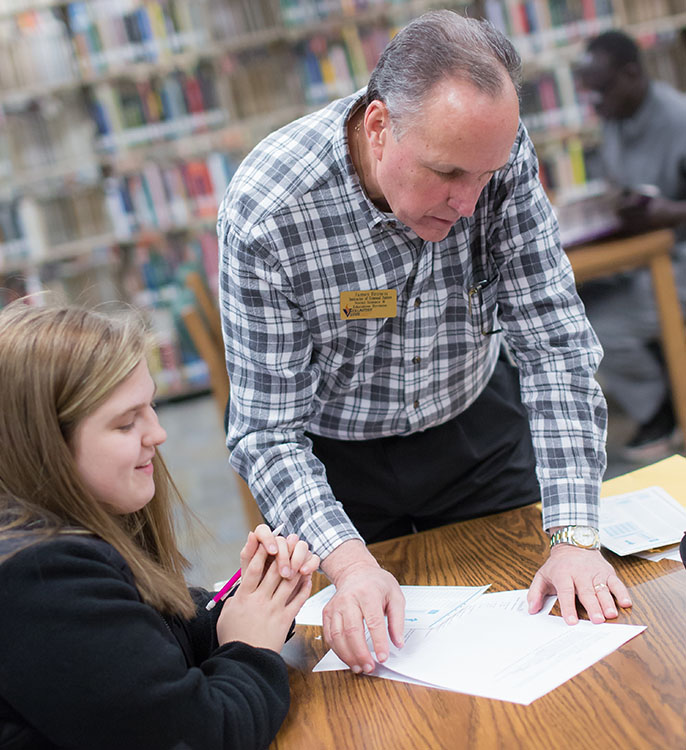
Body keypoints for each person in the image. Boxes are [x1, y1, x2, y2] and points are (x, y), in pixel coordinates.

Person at [218, 9, 631, 677]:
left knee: (543, 641)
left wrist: (576, 537)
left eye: (484, 177)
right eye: (447, 174)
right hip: (336, 467)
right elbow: (265, 431)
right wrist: (349, 564)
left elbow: (553, 343)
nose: (468, 202)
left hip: (474, 426)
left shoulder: (494, 152)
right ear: (379, 127)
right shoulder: (270, 212)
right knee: (377, 673)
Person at [0, 299, 319, 750]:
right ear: (44, 445)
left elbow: (140, 647)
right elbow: (200, 736)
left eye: (150, 406)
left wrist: (248, 607)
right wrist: (250, 648)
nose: (157, 433)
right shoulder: (36, 580)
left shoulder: (18, 534)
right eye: (125, 424)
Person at [576, 30, 686, 462]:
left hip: (675, 258)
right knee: (578, 300)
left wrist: (670, 212)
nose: (595, 104)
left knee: (598, 324)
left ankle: (661, 412)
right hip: (643, 256)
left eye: (601, 90)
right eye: (589, 93)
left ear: (631, 74)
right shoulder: (615, 118)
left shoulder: (678, 119)